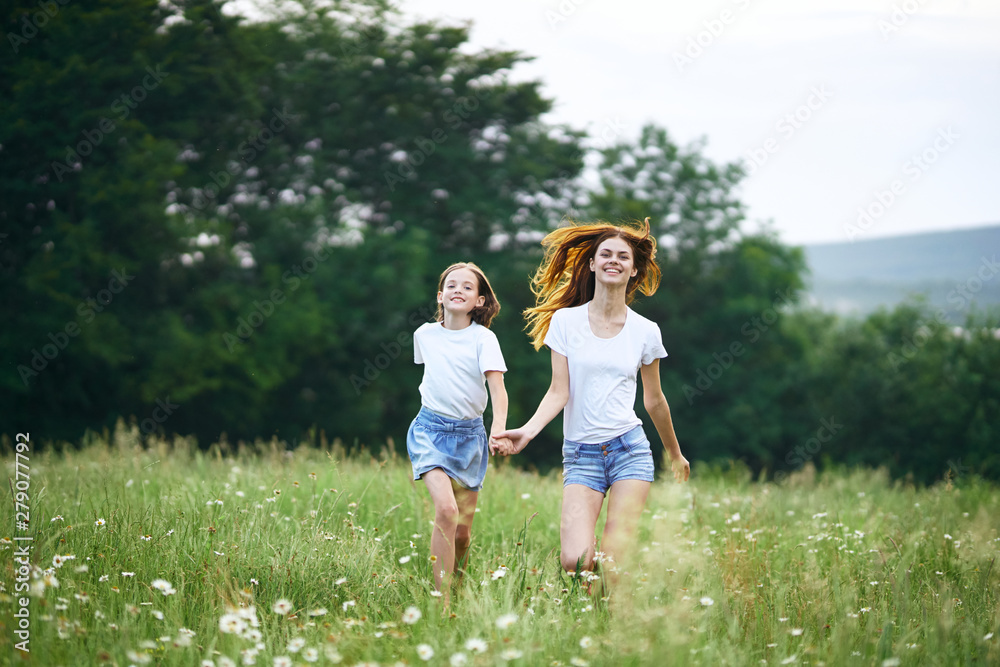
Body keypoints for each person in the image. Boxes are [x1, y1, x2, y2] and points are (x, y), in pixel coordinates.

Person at [493, 218, 689, 589]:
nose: (614, 260)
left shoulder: (646, 331)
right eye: (606, 254)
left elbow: (655, 400)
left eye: (623, 256)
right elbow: (558, 391)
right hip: (581, 454)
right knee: (576, 560)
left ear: (633, 270)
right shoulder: (565, 322)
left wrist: (674, 454)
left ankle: (610, 623)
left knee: (614, 561)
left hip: (629, 449)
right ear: (593, 264)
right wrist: (528, 432)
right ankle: (595, 592)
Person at [406, 261, 512, 600]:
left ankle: (459, 586)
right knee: (447, 511)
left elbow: (498, 389)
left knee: (463, 533)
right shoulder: (423, 335)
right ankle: (441, 600)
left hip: (470, 438)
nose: (458, 290)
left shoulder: (484, 339)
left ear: (479, 301)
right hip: (429, 431)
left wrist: (498, 430)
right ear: (440, 295)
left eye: (468, 287)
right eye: (452, 285)